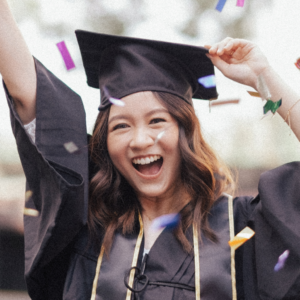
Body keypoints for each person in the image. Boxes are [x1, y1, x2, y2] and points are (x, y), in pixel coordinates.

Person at [1, 1, 300, 299]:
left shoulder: (242, 230)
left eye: (157, 121)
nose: (140, 140)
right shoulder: (89, 223)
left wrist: (265, 78)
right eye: (121, 126)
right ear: (105, 141)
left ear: (186, 131)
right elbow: (29, 92)